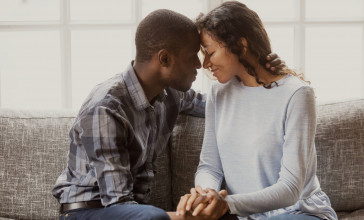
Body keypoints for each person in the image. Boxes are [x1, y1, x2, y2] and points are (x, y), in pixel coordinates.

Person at [52, 8, 284, 220]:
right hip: (89, 211)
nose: (199, 64)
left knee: (228, 214)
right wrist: (188, 216)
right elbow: (118, 202)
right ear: (164, 59)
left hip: (136, 211)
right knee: (156, 218)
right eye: (193, 55)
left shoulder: (172, 93)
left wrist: (262, 75)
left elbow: (222, 105)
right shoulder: (106, 109)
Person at [176, 2, 338, 220]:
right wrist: (206, 196)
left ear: (241, 46)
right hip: (248, 216)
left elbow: (291, 189)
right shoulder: (218, 93)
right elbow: (210, 166)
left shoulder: (297, 94)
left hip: (298, 212)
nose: (205, 63)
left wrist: (226, 204)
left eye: (211, 52)